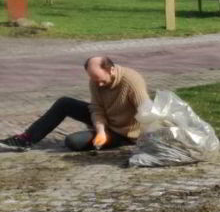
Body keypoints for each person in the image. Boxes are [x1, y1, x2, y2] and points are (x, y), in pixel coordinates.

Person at [0, 56, 149, 152]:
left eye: (102, 81)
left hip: (125, 133)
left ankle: (118, 140)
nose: (99, 84)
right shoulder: (96, 81)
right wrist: (100, 131)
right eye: (95, 80)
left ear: (111, 70)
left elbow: (147, 111)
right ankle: (26, 140)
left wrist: (148, 141)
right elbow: (97, 109)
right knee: (64, 103)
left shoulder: (132, 81)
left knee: (72, 142)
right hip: (107, 122)